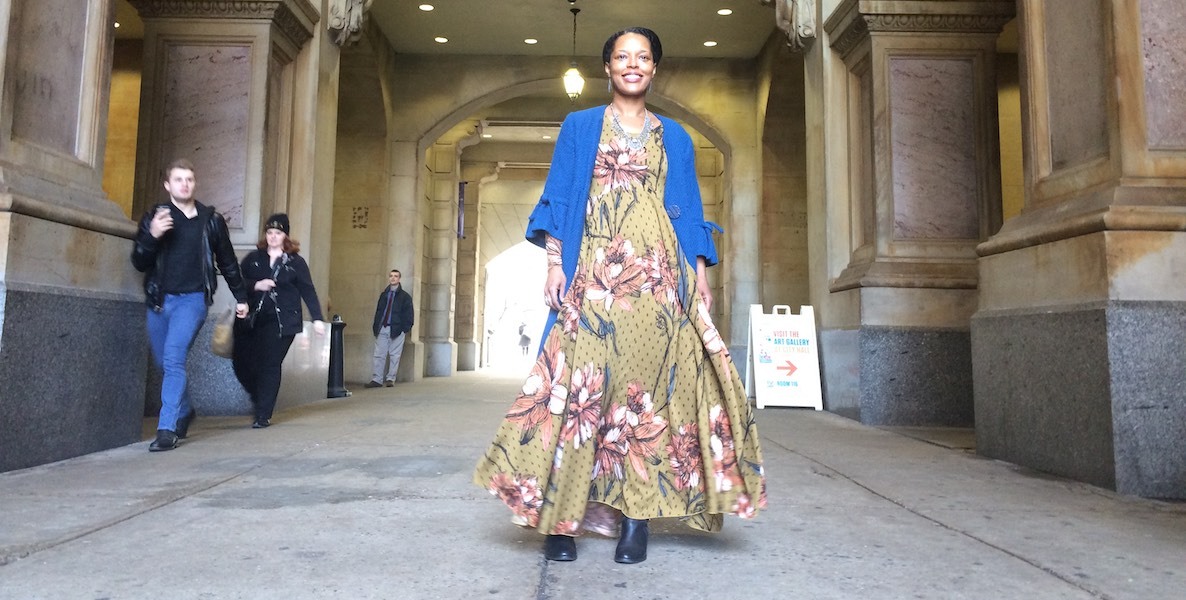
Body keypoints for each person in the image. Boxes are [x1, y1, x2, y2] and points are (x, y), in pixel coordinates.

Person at [472, 28, 766, 564]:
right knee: (577, 394)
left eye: (644, 58)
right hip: (594, 277)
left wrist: (697, 272)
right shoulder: (580, 126)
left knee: (644, 402)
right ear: (607, 67)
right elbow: (559, 195)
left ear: (654, 69)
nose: (633, 65)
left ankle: (637, 520)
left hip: (657, 281)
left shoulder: (674, 136)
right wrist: (555, 263)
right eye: (622, 57)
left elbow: (689, 208)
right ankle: (560, 519)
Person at [131, 158, 249, 452]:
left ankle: (167, 428)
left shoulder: (211, 220)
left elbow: (228, 261)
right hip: (159, 301)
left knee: (172, 358)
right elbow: (139, 261)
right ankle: (184, 409)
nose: (185, 184)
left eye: (189, 179)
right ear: (168, 185)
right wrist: (151, 236)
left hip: (193, 300)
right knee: (163, 361)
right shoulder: (156, 217)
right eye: (179, 179)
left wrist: (242, 297)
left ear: (194, 184)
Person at [232, 213, 326, 428]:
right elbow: (237, 281)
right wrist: (256, 285)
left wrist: (317, 318)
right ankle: (259, 397)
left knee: (270, 364)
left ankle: (263, 413)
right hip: (252, 319)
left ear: (285, 235)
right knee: (242, 363)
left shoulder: (295, 262)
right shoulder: (254, 259)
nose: (273, 237)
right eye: (270, 232)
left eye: (278, 233)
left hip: (282, 321)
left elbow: (308, 290)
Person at [367, 269, 413, 388]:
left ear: (399, 279)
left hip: (397, 329)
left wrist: (405, 329)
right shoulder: (384, 295)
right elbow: (378, 312)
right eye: (391, 276)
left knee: (394, 355)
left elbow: (409, 314)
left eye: (395, 276)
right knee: (379, 355)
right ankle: (377, 379)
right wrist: (376, 326)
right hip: (382, 328)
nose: (393, 278)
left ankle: (390, 378)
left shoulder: (405, 297)